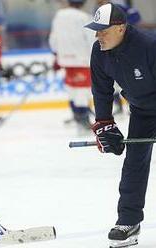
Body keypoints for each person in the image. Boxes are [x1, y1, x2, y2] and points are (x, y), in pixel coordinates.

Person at [85, 3, 156, 247]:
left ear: (121, 28)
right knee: (134, 162)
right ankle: (128, 221)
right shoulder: (99, 51)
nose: (97, 36)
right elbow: (101, 90)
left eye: (102, 31)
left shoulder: (149, 46)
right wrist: (105, 124)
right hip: (142, 111)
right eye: (96, 30)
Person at [49, 0, 95, 132]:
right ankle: (82, 118)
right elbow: (91, 39)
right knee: (82, 90)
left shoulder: (59, 15)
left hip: (65, 59)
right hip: (82, 59)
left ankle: (76, 114)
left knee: (71, 88)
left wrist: (56, 54)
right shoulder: (84, 17)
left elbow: (53, 38)